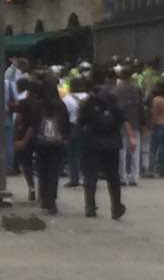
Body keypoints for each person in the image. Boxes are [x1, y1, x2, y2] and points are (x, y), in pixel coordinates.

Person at [78, 68, 132, 219]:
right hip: (112, 142)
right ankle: (116, 207)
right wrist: (131, 137)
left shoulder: (88, 100)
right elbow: (122, 117)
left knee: (91, 175)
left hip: (92, 142)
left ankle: (90, 206)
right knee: (113, 176)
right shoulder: (112, 97)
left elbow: (80, 122)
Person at [31, 74, 70, 214]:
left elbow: (34, 124)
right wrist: (65, 137)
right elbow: (66, 125)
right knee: (54, 172)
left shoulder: (38, 104)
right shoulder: (61, 105)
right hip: (57, 143)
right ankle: (51, 200)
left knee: (42, 171)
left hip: (41, 143)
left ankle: (43, 198)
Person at [113, 66, 144, 186]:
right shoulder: (137, 89)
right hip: (134, 122)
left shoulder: (116, 90)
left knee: (122, 151)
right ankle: (134, 177)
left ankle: (122, 176)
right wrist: (143, 122)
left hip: (120, 124)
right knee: (135, 151)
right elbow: (141, 107)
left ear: (120, 76)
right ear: (131, 76)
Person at [63, 77, 90, 188]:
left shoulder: (67, 99)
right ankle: (87, 178)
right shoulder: (88, 97)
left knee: (72, 154)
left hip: (73, 126)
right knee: (86, 154)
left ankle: (74, 178)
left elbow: (64, 115)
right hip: (87, 128)